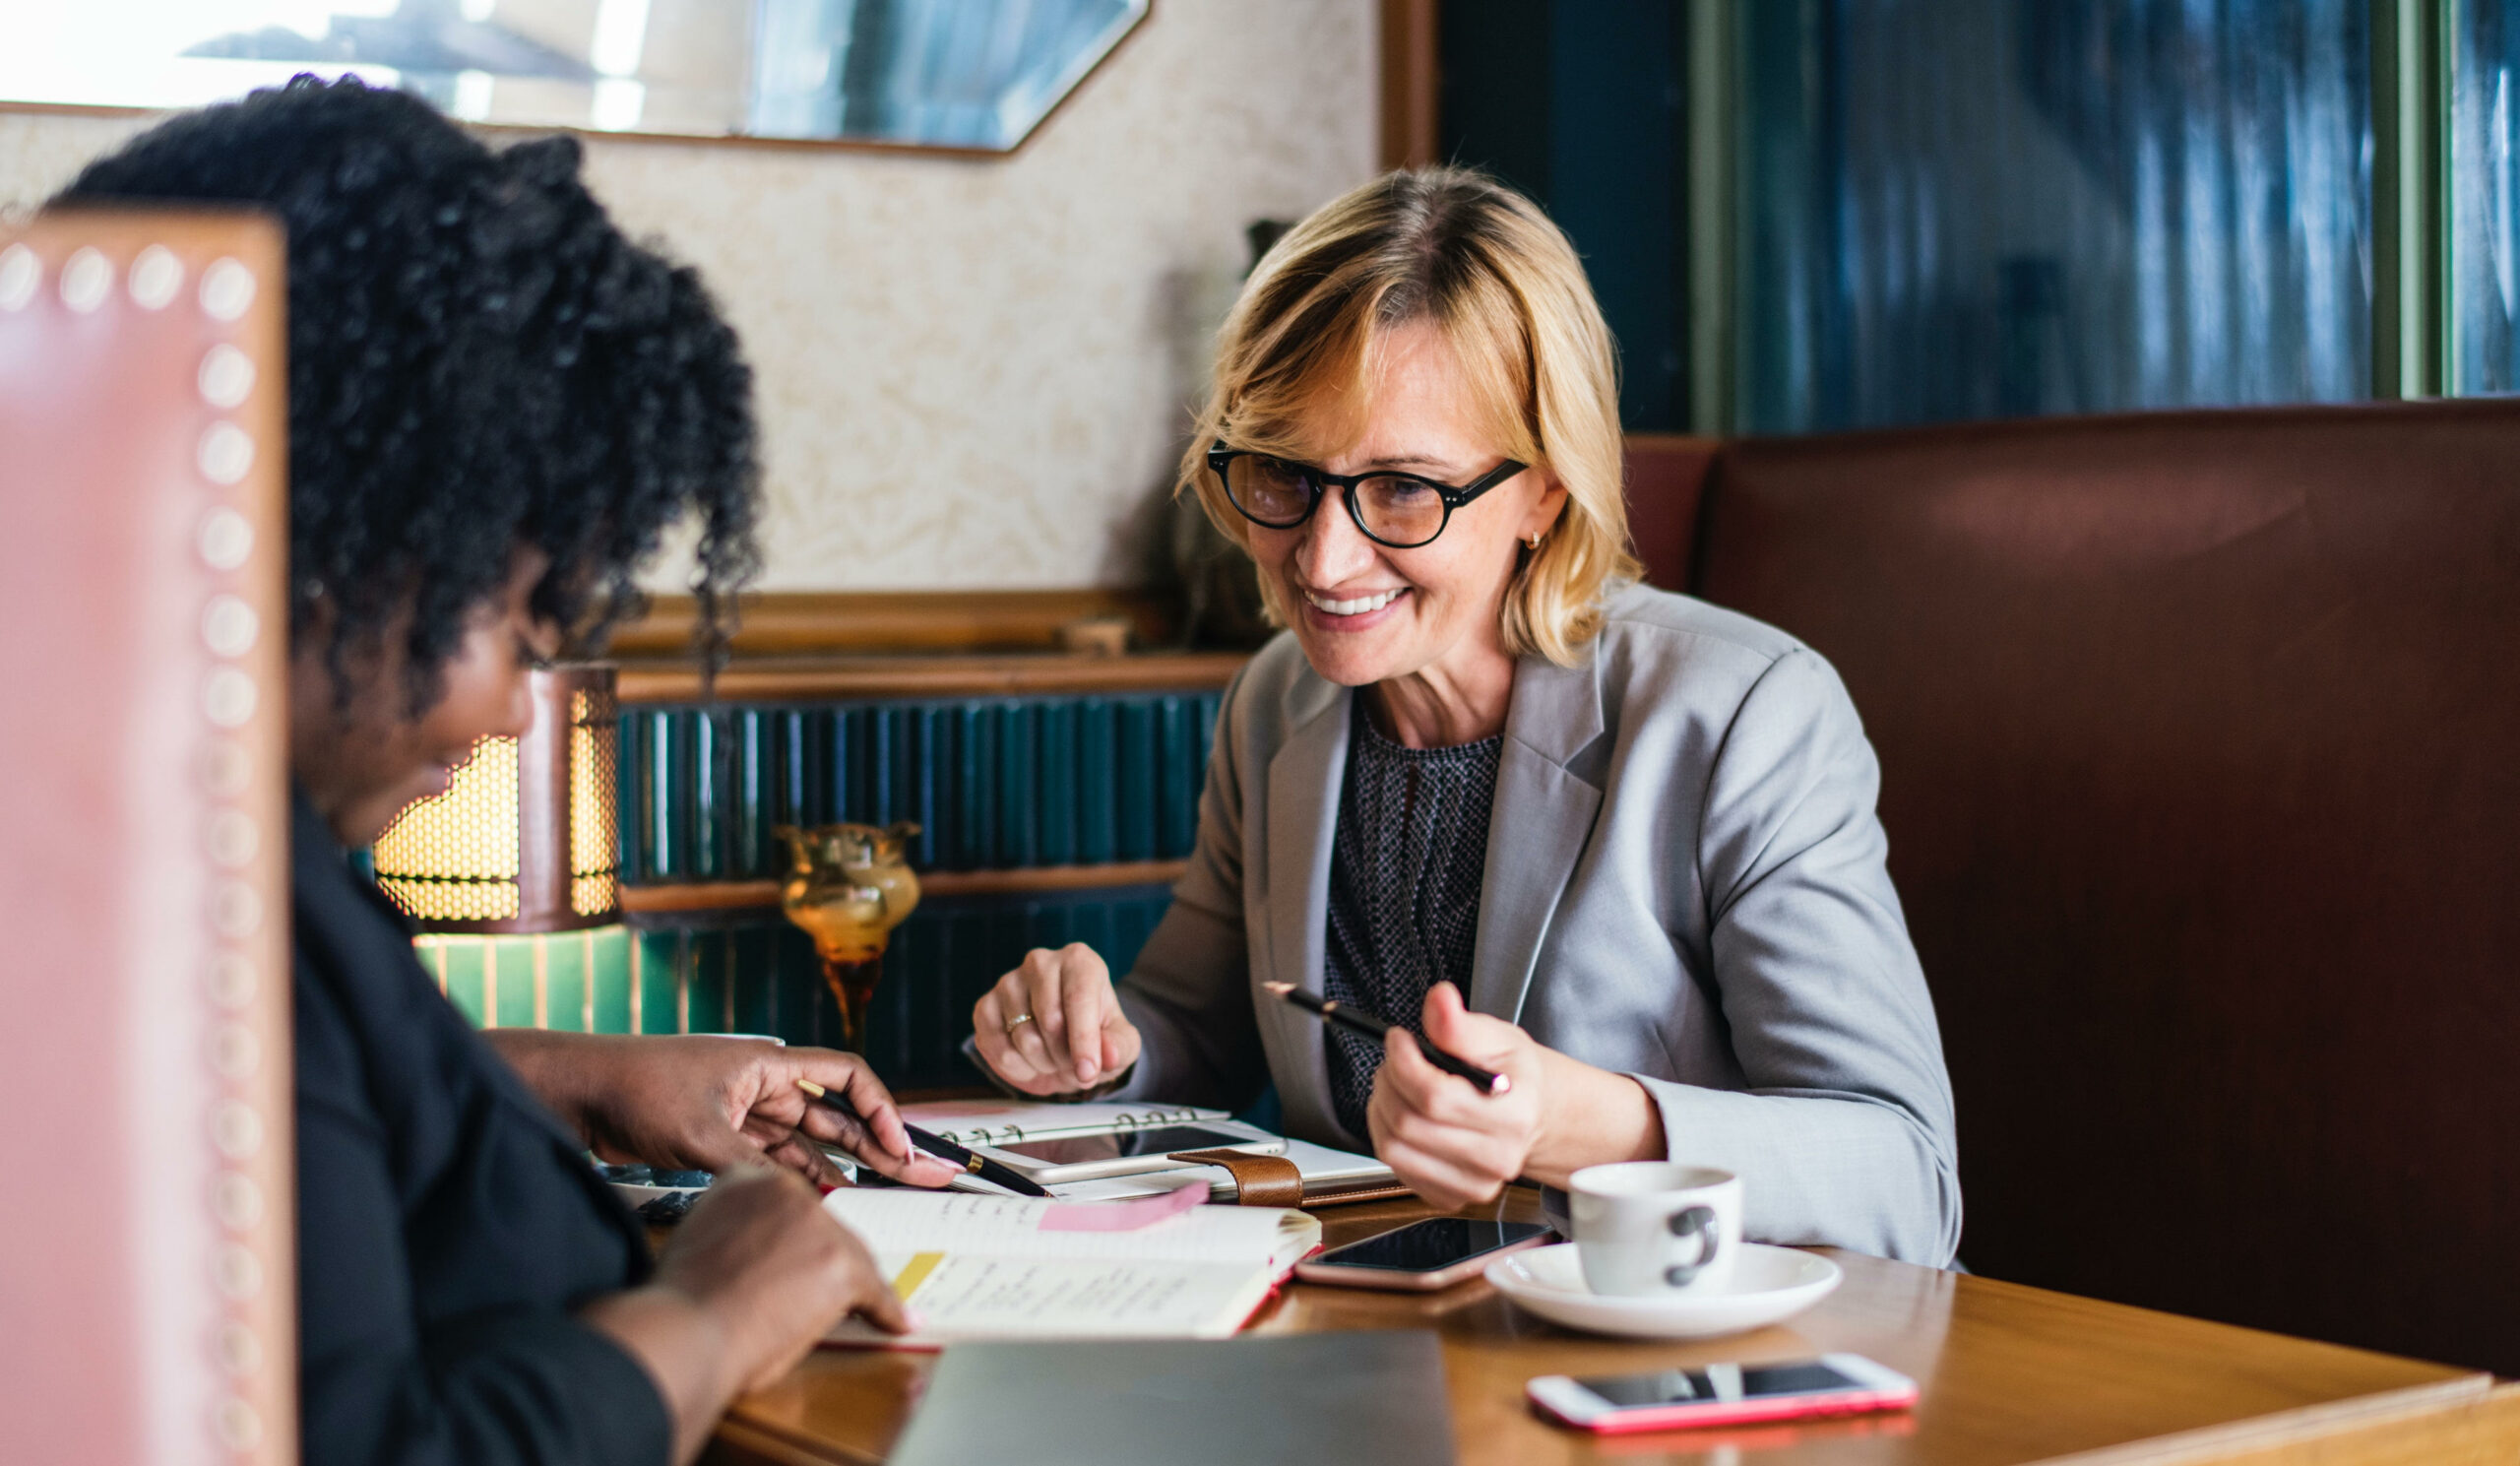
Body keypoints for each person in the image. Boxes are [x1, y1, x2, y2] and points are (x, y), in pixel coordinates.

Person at [59, 79, 958, 1466]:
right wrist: (714, 1313)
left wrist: (573, 1075)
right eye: (520, 622)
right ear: (329, 538)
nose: (508, 711)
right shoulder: (188, 916)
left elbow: (291, 1126)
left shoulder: (163, 843)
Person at [969, 167, 1961, 1263]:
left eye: (1402, 488)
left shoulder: (1742, 715)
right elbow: (1191, 1029)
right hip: (1372, 1362)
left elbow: (1904, 1179)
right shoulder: (1276, 702)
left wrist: (1576, 1127)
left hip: (1682, 1380)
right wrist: (1090, 1043)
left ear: (1545, 488)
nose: (1323, 559)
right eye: (1282, 474)